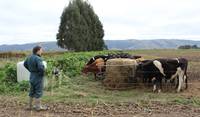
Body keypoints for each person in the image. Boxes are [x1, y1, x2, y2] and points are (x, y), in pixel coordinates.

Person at [24, 45, 47, 111]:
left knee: (31, 91)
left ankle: (30, 106)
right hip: (38, 77)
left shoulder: (29, 57)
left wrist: (31, 70)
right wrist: (42, 74)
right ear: (38, 51)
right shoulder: (38, 58)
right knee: (38, 92)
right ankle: (38, 107)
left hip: (32, 76)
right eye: (41, 50)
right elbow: (41, 68)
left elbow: (25, 64)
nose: (42, 51)